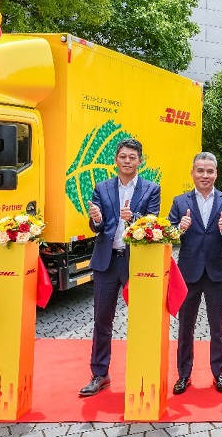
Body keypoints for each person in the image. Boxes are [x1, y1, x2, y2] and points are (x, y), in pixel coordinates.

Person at [80, 138, 162, 397]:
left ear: (140, 161)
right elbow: (97, 227)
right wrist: (96, 220)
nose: (127, 161)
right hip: (106, 262)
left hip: (137, 264)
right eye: (123, 156)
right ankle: (99, 373)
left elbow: (153, 224)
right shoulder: (101, 188)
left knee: (142, 319)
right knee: (102, 320)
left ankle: (143, 370)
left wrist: (134, 219)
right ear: (116, 159)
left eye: (132, 157)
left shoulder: (151, 189)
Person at [167, 152, 222, 395]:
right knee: (185, 327)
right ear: (192, 173)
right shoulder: (180, 202)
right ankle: (183, 374)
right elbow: (169, 234)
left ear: (216, 173)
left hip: (217, 272)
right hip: (188, 272)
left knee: (217, 326)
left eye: (210, 171)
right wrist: (179, 229)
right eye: (200, 170)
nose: (205, 175)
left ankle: (218, 373)